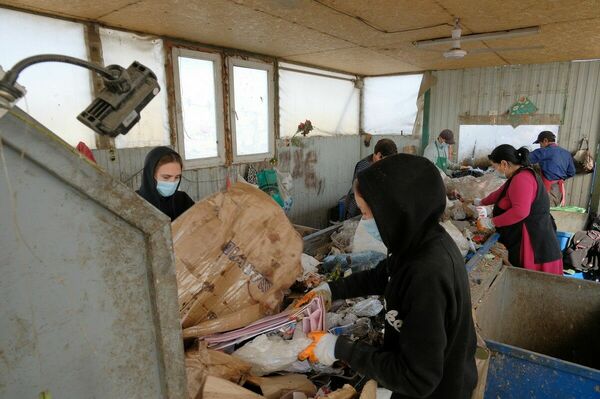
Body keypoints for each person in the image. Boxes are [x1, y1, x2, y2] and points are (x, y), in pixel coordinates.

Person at [298, 154, 478, 399]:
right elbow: (383, 275)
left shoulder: (428, 274)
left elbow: (417, 378)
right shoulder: (415, 242)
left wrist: (341, 348)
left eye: (366, 212)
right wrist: (332, 290)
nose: (365, 221)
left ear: (394, 210)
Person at [473, 144, 563, 274]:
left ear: (504, 164)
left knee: (533, 280)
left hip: (534, 240)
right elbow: (500, 193)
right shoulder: (518, 175)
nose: (495, 170)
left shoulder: (522, 178)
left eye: (495, 167)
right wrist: (480, 202)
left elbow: (520, 212)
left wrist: (491, 222)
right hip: (531, 233)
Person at [344, 139, 397, 219]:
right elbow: (361, 192)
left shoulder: (381, 166)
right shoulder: (364, 167)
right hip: (357, 210)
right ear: (379, 156)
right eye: (387, 160)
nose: (389, 164)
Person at [137, 146, 194, 221]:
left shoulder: (184, 201)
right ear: (150, 175)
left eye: (177, 177)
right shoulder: (136, 204)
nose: (172, 182)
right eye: (166, 177)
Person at [528, 131, 575, 206]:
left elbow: (526, 159)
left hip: (548, 189)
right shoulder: (566, 154)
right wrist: (559, 178)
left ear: (545, 141)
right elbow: (571, 172)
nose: (540, 146)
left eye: (540, 143)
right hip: (559, 190)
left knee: (544, 211)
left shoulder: (544, 151)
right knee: (554, 211)